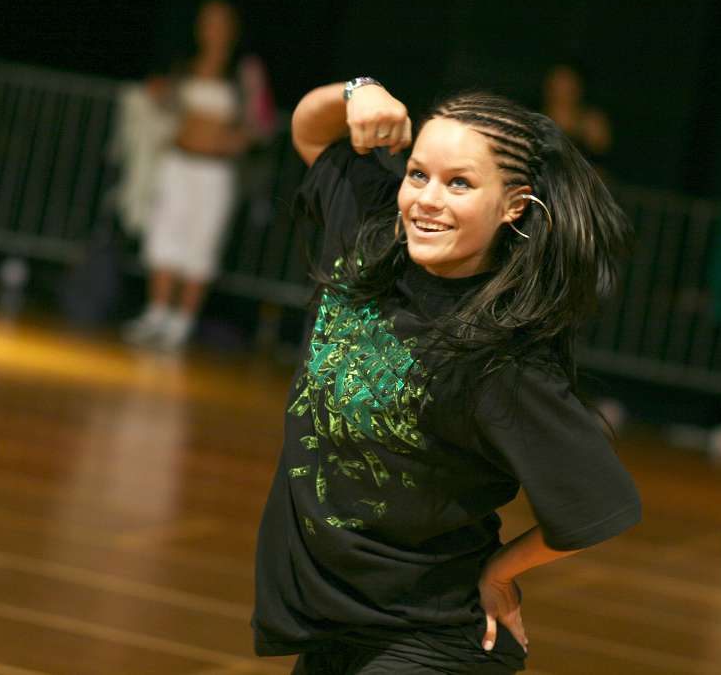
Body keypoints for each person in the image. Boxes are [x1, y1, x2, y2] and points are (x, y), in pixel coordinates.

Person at [251, 78, 641, 674]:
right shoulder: (370, 235)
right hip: (335, 629)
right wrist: (357, 91)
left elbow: (597, 502)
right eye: (417, 174)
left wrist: (501, 571)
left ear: (514, 205)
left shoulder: (501, 357)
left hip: (428, 642)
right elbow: (310, 133)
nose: (427, 199)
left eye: (459, 183)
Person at [122, 0, 252, 351]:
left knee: (201, 242)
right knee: (165, 236)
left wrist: (235, 140)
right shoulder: (185, 66)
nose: (213, 29)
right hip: (178, 162)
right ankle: (157, 313)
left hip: (215, 172)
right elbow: (168, 107)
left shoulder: (244, 73)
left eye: (220, 22)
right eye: (208, 21)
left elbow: (260, 123)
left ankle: (182, 322)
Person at [541, 63, 612, 173]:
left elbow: (604, 160)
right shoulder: (534, 122)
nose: (562, 90)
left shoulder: (591, 123)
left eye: (568, 84)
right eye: (558, 83)